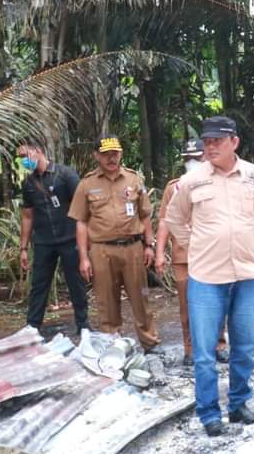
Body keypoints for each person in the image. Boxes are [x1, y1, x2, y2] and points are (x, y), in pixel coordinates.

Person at [164, 116, 254, 436]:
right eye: (206, 141)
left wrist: (252, 245)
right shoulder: (192, 181)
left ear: (234, 143)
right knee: (204, 351)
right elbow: (175, 219)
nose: (209, 146)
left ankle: (239, 403)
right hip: (206, 277)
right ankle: (210, 413)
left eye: (217, 141)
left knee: (244, 345)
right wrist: (197, 247)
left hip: (246, 274)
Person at [68, 136, 160, 349]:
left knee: (140, 297)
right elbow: (81, 222)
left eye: (115, 153)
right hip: (102, 250)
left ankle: (150, 343)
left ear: (121, 154)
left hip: (133, 248)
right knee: (106, 301)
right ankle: (113, 346)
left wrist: (149, 245)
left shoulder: (133, 180)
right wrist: (84, 258)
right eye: (106, 154)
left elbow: (145, 215)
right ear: (97, 156)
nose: (111, 158)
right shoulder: (87, 184)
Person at [155, 139, 226, 366]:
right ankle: (190, 348)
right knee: (187, 304)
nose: (192, 163)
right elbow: (165, 221)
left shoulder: (219, 183)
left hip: (213, 254)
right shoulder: (174, 187)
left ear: (206, 157)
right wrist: (159, 253)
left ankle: (218, 345)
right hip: (183, 256)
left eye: (196, 158)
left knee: (217, 301)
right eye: (187, 159)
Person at [16, 141, 89, 335]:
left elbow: (83, 207)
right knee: (39, 284)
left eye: (26, 155)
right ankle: (33, 326)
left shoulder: (65, 175)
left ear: (38, 151)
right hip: (43, 241)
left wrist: (85, 242)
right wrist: (23, 248)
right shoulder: (29, 184)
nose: (24, 160)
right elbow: (27, 216)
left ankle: (83, 325)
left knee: (76, 283)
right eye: (21, 158)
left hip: (69, 237)